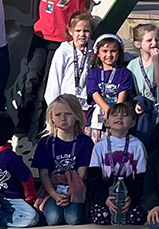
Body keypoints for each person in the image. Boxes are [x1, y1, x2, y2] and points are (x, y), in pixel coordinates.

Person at [21, 0, 117, 138]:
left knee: (49, 87)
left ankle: (42, 130)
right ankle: (21, 125)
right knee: (31, 80)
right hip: (40, 37)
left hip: (63, 44)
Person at [35, 96, 95, 225]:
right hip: (51, 189)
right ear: (51, 118)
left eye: (68, 114)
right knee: (53, 219)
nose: (63, 118)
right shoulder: (45, 142)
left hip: (75, 187)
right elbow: (44, 174)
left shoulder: (85, 142)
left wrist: (69, 193)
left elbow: (82, 173)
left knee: (73, 218)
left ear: (77, 116)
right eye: (58, 114)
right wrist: (56, 196)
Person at [91, 101, 148, 224]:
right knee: (101, 218)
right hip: (106, 196)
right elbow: (93, 177)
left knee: (135, 218)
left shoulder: (137, 145)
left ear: (133, 122)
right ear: (107, 121)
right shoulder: (100, 146)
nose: (119, 117)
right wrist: (104, 198)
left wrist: (131, 198)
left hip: (129, 197)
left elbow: (142, 178)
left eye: (124, 115)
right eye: (115, 115)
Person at [41, 11, 96, 135]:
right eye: (78, 31)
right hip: (66, 105)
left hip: (85, 105)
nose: (82, 34)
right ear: (70, 31)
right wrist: (54, 107)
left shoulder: (94, 49)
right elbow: (54, 81)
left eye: (86, 31)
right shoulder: (63, 51)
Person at [86, 34, 138, 138]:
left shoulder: (124, 73)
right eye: (105, 51)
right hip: (97, 118)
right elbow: (94, 92)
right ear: (98, 53)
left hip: (118, 116)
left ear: (119, 53)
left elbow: (123, 93)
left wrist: (114, 113)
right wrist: (106, 109)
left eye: (113, 51)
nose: (109, 55)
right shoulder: (93, 73)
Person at [127, 23, 159, 131]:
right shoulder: (132, 65)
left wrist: (156, 62)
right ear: (138, 44)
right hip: (142, 110)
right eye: (149, 40)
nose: (154, 43)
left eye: (157, 40)